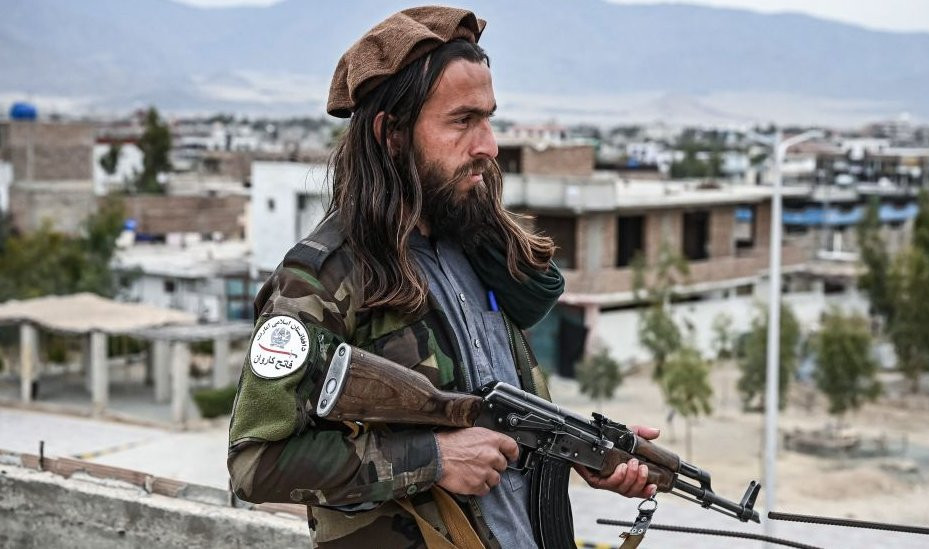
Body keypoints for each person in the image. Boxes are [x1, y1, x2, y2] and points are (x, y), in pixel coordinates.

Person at [227, 6, 659, 548]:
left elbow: (493, 417)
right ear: (392, 134)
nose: (489, 145)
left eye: (489, 118)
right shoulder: (321, 277)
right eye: (462, 121)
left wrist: (581, 450)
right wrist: (431, 458)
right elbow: (254, 464)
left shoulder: (472, 248)